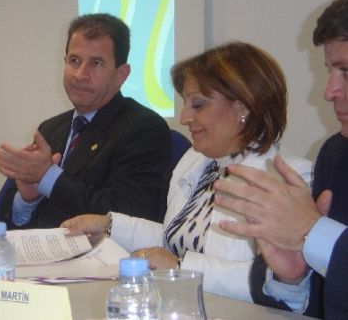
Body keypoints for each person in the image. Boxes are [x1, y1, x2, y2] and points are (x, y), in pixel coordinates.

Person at [61, 41, 313, 302]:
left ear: (243, 108)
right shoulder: (197, 161)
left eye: (198, 105)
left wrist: (180, 268)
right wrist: (109, 226)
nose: (183, 118)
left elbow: (280, 285)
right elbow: (175, 240)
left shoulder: (290, 180)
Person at [214, 0, 348, 318]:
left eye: (346, 72)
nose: (329, 91)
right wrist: (295, 275)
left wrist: (312, 234)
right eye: (330, 71)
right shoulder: (336, 154)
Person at [0, 13, 172, 229]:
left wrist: (48, 177)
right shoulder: (50, 129)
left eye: (96, 63)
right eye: (74, 61)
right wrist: (28, 199)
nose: (80, 74)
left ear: (121, 74)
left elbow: (127, 214)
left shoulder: (143, 128)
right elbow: (9, 220)